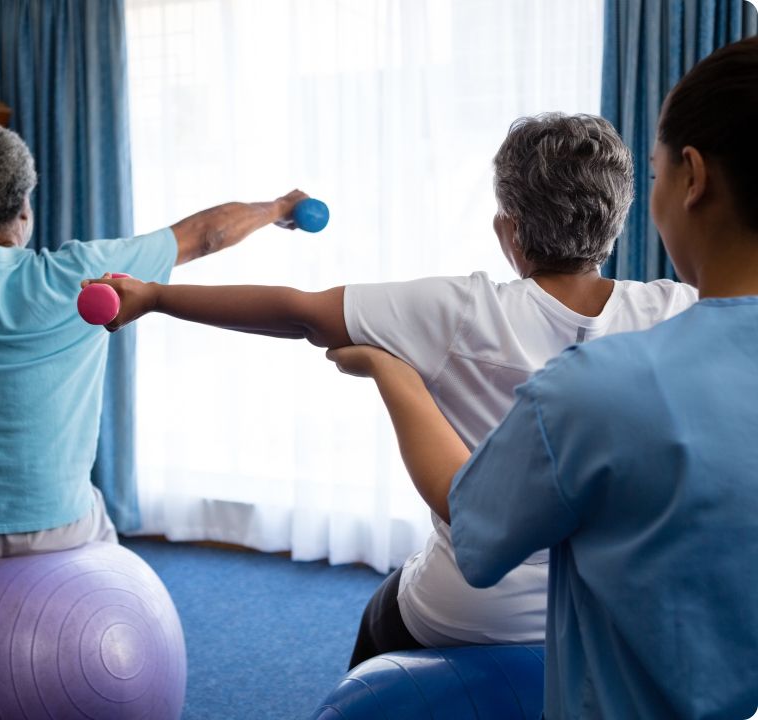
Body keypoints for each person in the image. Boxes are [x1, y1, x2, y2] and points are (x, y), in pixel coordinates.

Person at [83, 113, 698, 667]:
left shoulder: (461, 310)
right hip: (615, 609)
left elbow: (296, 310)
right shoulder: (677, 312)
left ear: (507, 230)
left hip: (472, 609)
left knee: (382, 613)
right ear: (617, 220)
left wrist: (156, 297)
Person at [335, 36, 758, 719]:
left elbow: (475, 527)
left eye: (654, 173)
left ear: (692, 178)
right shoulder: (658, 329)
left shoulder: (595, 385)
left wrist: (395, 376)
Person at [0, 122, 307, 565]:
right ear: (25, 209)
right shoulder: (84, 274)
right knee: (105, 538)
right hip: (60, 528)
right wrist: (280, 207)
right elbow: (205, 235)